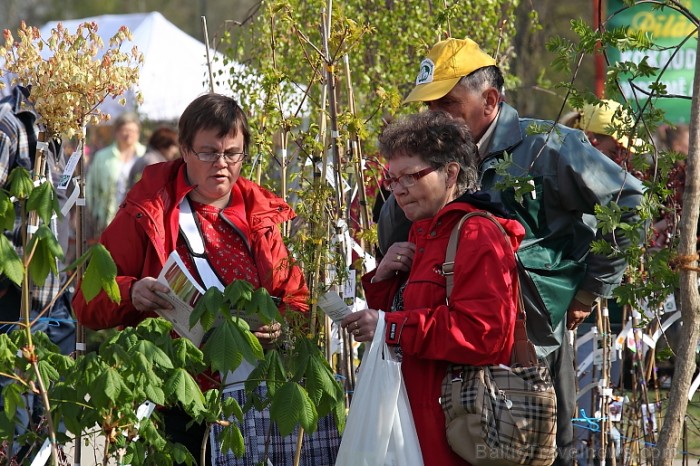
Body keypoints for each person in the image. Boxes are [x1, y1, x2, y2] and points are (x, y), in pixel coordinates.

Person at [378, 38, 645, 465]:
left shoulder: (547, 145)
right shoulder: (422, 164)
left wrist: (590, 289)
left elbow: (630, 204)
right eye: (427, 106)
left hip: (531, 346)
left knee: (537, 451)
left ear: (489, 100)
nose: (433, 117)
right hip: (444, 346)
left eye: (445, 104)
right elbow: (393, 242)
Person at [73, 93, 339, 465]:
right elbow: (86, 304)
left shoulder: (259, 214)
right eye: (209, 152)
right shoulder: (148, 208)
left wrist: (279, 327)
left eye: (233, 153)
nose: (222, 164)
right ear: (184, 150)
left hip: (248, 399)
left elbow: (296, 301)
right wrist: (131, 292)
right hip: (173, 397)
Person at [342, 111, 525, 466]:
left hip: (459, 431)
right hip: (420, 423)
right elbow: (413, 309)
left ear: (451, 173)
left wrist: (389, 326)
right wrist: (383, 277)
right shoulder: (423, 233)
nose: (398, 190)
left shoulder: (476, 234)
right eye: (393, 180)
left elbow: (483, 333)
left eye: (410, 176)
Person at [0, 85, 76, 461]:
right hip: (13, 299)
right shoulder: (10, 127)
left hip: (54, 299)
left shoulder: (65, 130)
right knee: (10, 422)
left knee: (50, 424)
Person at [85, 111, 146, 240]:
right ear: (116, 132)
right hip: (107, 218)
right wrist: (92, 213)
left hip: (140, 220)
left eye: (132, 130)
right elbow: (91, 186)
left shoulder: (146, 156)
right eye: (124, 130)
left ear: (138, 133)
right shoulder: (102, 157)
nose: (128, 134)